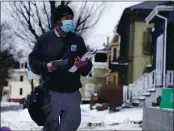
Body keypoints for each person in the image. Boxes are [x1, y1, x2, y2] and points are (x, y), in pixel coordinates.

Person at [28, 4, 92, 131]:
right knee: (50, 126)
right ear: (58, 21)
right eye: (66, 18)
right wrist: (46, 66)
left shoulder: (77, 40)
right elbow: (33, 62)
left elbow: (87, 66)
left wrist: (83, 65)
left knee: (72, 124)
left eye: (71, 18)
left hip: (72, 92)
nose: (70, 21)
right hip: (51, 93)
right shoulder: (44, 40)